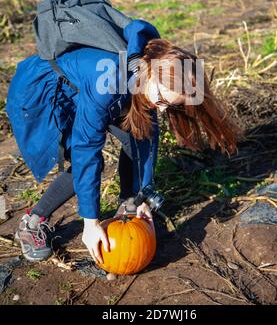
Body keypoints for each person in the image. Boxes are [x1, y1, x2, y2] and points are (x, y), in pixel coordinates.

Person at [6, 18, 243, 266]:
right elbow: (87, 151)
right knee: (82, 163)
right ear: (150, 74)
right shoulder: (109, 84)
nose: (162, 110)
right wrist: (91, 222)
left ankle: (127, 204)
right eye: (162, 99)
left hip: (86, 87)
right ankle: (32, 222)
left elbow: (145, 138)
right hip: (45, 91)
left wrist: (140, 195)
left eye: (170, 105)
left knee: (137, 133)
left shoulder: (147, 70)